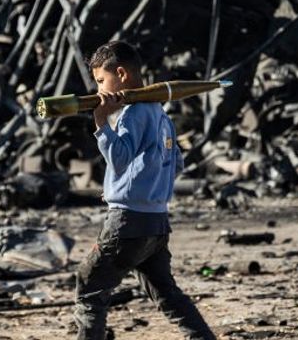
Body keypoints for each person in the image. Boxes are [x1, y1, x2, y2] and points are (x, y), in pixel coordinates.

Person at [73, 41, 216, 340]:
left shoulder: (133, 113)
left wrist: (101, 122)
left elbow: (120, 159)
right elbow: (175, 163)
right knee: (167, 294)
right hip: (156, 223)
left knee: (90, 288)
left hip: (127, 224)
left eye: (100, 81)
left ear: (121, 74)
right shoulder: (160, 113)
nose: (98, 90)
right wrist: (131, 186)